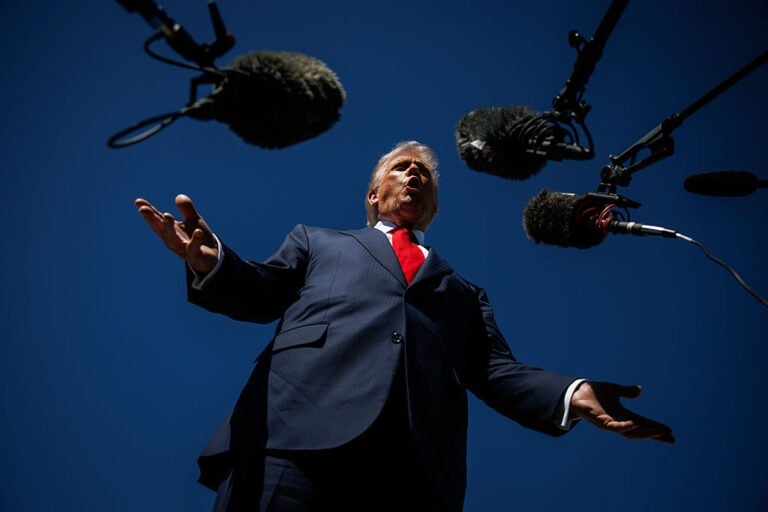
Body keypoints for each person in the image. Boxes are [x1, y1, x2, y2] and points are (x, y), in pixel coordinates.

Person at [135, 141, 673, 512]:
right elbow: (260, 292)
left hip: (413, 474)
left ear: (433, 207)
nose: (415, 174)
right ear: (374, 196)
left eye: (424, 175)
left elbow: (494, 370)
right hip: (291, 440)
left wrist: (571, 393)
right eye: (402, 168)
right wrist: (213, 262)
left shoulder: (463, 291)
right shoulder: (318, 241)